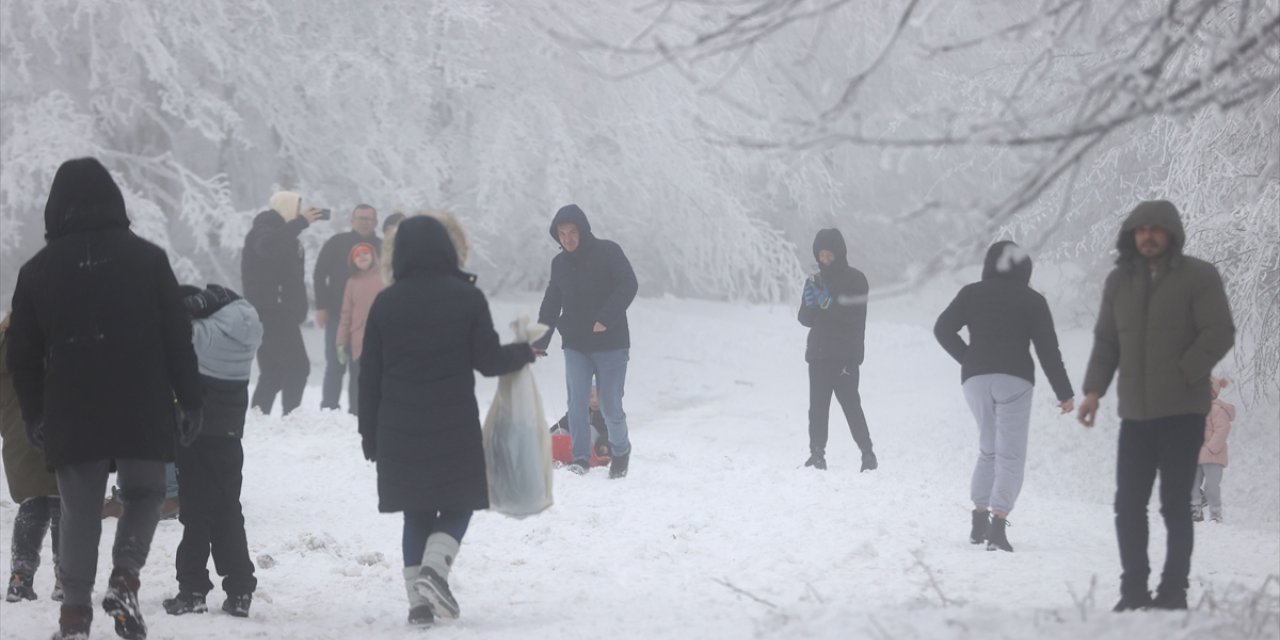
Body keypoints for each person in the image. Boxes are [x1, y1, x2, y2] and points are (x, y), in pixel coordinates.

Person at [6, 157, 205, 639]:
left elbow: (21, 354)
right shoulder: (148, 259)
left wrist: (34, 412)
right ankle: (124, 578)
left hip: (72, 403)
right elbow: (177, 336)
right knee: (146, 493)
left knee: (79, 509)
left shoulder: (37, 271)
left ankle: (74, 616)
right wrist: (191, 399)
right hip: (141, 397)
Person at [357, 215, 536, 626]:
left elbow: (369, 377)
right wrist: (523, 352)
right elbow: (489, 362)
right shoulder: (466, 298)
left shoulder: (386, 302)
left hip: (398, 430)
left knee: (416, 511)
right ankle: (435, 571)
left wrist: (369, 434)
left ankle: (418, 606)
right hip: (452, 426)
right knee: (462, 501)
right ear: (446, 250)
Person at [1077, 200, 1235, 612]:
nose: (1147, 235)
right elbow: (1107, 342)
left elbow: (1219, 331)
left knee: (1173, 505)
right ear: (1132, 234)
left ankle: (1173, 591)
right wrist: (1094, 391)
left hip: (1183, 412)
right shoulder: (1119, 282)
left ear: (1171, 234)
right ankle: (1132, 590)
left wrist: (1187, 371)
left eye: (1156, 229)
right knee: (1128, 504)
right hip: (1136, 415)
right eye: (1140, 229)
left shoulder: (1199, 276)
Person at [934, 241, 1074, 552]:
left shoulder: (971, 293)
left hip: (975, 381)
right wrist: (1064, 392)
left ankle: (978, 521)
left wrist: (969, 358)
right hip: (1014, 380)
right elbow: (1048, 350)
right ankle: (997, 527)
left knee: (988, 449)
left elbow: (942, 329)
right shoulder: (1033, 300)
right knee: (1010, 454)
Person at [162, 284, 263, 619]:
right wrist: (207, 298)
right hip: (230, 435)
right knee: (228, 510)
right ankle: (240, 590)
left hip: (195, 433)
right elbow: (232, 298)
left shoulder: (197, 337)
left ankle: (192, 590)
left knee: (196, 513)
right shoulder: (247, 326)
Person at [532, 204, 638, 478]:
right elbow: (552, 301)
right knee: (577, 403)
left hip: (611, 343)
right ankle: (580, 458)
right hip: (576, 344)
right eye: (561, 234)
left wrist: (606, 317)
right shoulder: (560, 264)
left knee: (610, 405)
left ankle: (621, 451)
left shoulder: (608, 252)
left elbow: (629, 284)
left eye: (571, 232)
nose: (567, 238)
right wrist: (541, 339)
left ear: (583, 230)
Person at [797, 228, 876, 472]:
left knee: (851, 405)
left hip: (845, 356)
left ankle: (867, 453)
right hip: (819, 354)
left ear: (839, 253)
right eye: (821, 255)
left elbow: (854, 316)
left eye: (829, 255)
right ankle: (817, 454)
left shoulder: (856, 280)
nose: (825, 260)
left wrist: (828, 304)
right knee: (817, 407)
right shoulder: (815, 281)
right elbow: (805, 319)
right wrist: (811, 305)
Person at [241, 190, 324, 416]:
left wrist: (298, 309)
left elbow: (291, 278)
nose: (301, 214)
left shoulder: (285, 236)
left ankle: (259, 417)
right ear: (286, 209)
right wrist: (300, 223)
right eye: (297, 209)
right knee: (298, 367)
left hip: (278, 310)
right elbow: (267, 248)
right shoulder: (263, 230)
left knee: (273, 371)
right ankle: (291, 417)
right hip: (271, 310)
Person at [1, 312, 62, 603]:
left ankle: (20, 578)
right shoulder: (56, 337)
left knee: (32, 505)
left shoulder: (4, 342)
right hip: (60, 431)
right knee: (65, 506)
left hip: (19, 436)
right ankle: (66, 577)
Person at [314, 205, 380, 410]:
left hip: (370, 322)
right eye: (360, 218)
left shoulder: (383, 247)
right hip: (336, 316)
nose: (364, 222)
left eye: (368, 218)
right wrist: (322, 307)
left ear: (375, 222)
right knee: (335, 365)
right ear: (352, 221)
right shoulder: (337, 242)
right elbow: (319, 274)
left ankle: (357, 411)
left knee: (361, 369)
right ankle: (328, 409)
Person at [336, 242, 385, 415]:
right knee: (357, 379)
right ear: (353, 261)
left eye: (365, 253)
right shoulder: (352, 283)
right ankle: (355, 411)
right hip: (359, 339)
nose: (362, 257)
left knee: (382, 377)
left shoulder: (385, 277)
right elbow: (346, 313)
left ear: (373, 256)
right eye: (358, 255)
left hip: (384, 338)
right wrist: (341, 342)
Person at [1191, 375, 1234, 524]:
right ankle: (1195, 508)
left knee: (1211, 486)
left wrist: (1210, 448)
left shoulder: (1217, 409)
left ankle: (1215, 514)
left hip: (1213, 455)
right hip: (1195, 454)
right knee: (1191, 482)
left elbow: (1222, 430)